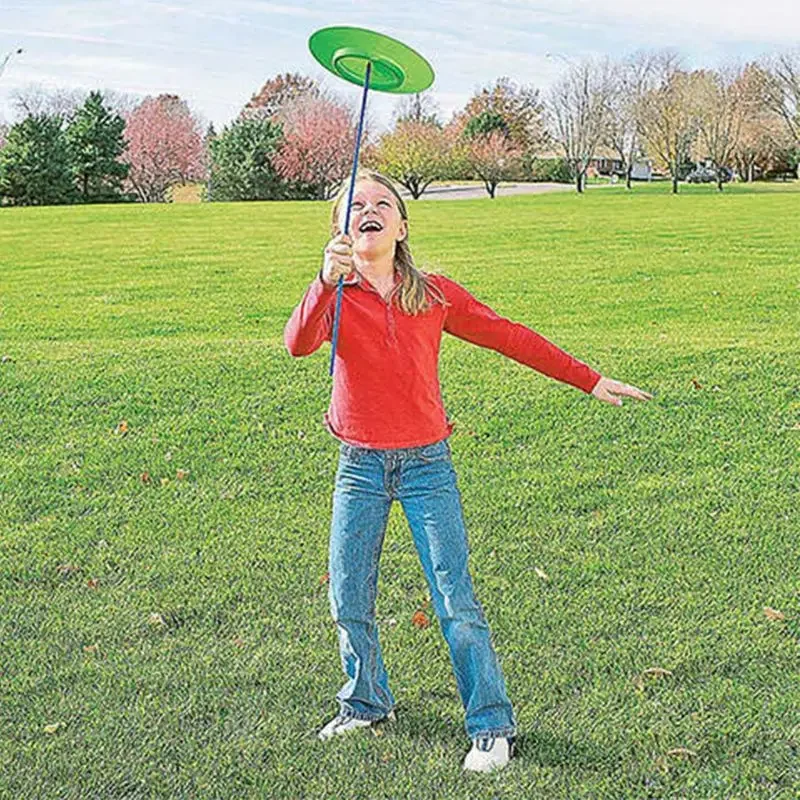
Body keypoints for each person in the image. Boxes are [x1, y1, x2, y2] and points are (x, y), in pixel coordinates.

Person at [283, 169, 653, 773]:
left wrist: (587, 377)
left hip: (427, 466)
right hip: (359, 469)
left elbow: (509, 336)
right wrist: (324, 282)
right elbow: (297, 343)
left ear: (401, 227)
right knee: (348, 596)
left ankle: (490, 725)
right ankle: (366, 702)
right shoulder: (335, 298)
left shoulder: (433, 295)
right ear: (341, 232)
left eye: (383, 204)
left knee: (454, 598)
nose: (369, 211)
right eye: (355, 206)